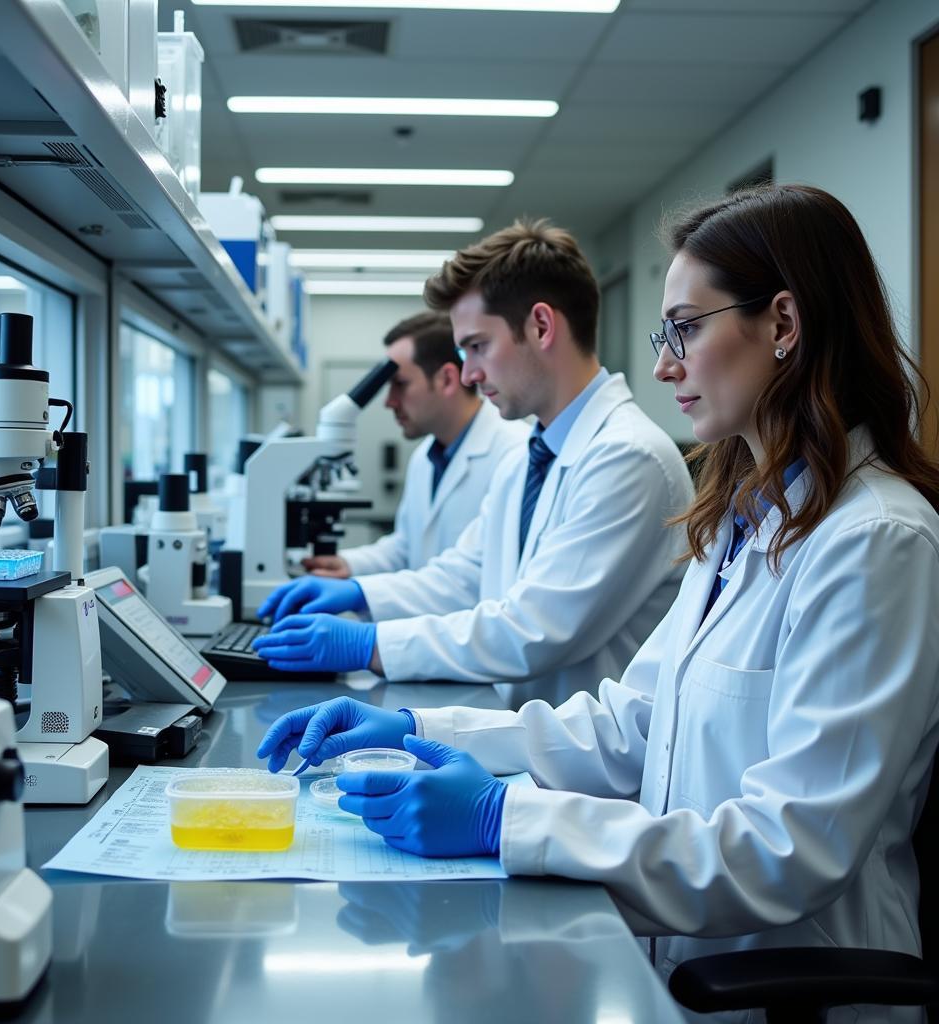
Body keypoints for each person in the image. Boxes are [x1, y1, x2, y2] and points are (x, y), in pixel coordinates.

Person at [257, 185, 939, 1019]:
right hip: (676, 951)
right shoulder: (743, 520)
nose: (663, 364)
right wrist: (423, 731)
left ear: (785, 326)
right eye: (665, 334)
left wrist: (509, 816)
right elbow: (633, 723)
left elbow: (789, 850)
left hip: (791, 986)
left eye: (684, 328)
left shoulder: (875, 541)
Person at [253, 220, 694, 708]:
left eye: (478, 346)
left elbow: (533, 630)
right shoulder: (533, 454)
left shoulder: (628, 458)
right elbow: (463, 576)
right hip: (525, 739)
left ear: (541, 327)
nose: (468, 373)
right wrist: (359, 592)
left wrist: (368, 644)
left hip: (593, 771)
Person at [302, 311, 527, 579]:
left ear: (446, 379)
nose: (389, 401)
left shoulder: (514, 452)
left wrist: (360, 594)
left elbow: (480, 577)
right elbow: (407, 546)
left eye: (400, 384)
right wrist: (347, 565)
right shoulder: (425, 456)